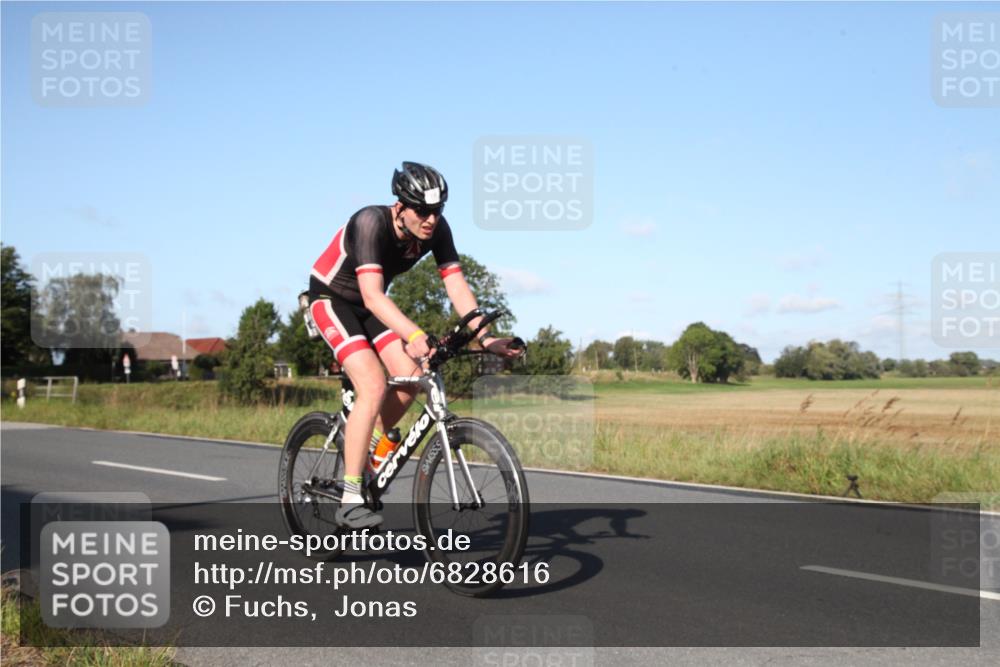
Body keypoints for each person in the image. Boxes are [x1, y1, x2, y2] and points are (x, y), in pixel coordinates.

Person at [307, 161, 523, 528]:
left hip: (369, 305)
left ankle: (368, 446)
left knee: (412, 375)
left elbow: (455, 284)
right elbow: (374, 297)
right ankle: (350, 495)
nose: (430, 219)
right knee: (373, 383)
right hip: (332, 299)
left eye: (437, 211)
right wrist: (415, 335)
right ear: (400, 207)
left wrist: (485, 337)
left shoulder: (436, 230)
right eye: (422, 211)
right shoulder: (370, 222)